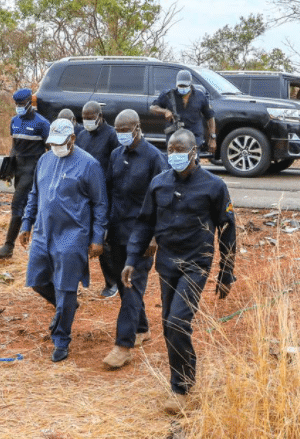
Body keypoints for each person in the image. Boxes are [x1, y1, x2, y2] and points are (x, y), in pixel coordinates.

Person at [122, 129, 236, 414]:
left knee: (177, 322)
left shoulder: (214, 186)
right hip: (167, 264)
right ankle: (183, 376)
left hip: (196, 264)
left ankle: (181, 387)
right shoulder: (159, 183)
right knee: (168, 324)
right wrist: (132, 259)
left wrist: (226, 272)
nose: (174, 155)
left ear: (194, 152)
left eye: (180, 150)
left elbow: (228, 230)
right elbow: (144, 223)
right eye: (170, 150)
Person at [18, 118, 108, 362]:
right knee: (36, 280)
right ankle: (66, 306)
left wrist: (97, 237)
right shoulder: (44, 160)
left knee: (66, 287)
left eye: (60, 142)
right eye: (52, 143)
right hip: (43, 231)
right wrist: (26, 223)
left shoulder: (89, 165)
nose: (56, 147)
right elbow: (35, 194)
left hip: (72, 234)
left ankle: (61, 339)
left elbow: (100, 204)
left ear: (72, 139)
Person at [101, 110, 167, 369]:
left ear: (137, 128)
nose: (121, 135)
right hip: (117, 232)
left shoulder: (154, 158)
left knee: (131, 285)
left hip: (141, 235)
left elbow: (163, 200)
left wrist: (155, 236)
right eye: (118, 130)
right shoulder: (116, 155)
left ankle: (123, 345)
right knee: (123, 282)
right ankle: (141, 328)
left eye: (125, 130)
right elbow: (109, 192)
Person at [0, 88, 50, 259]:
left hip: (33, 170)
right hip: (18, 169)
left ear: (30, 103)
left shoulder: (42, 123)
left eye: (22, 104)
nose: (18, 107)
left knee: (17, 205)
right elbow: (14, 147)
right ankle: (36, 243)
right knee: (29, 207)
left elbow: (51, 149)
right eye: (16, 104)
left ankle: (8, 246)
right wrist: (8, 168)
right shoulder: (14, 121)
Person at [75, 101, 120, 298]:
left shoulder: (112, 136)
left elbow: (117, 163)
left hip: (105, 193)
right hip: (84, 194)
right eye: (84, 118)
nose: (87, 121)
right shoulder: (82, 135)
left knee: (103, 239)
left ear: (100, 117)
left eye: (91, 118)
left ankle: (112, 281)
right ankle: (75, 280)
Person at [150, 70, 217, 154]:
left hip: (194, 138)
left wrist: (212, 138)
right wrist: (165, 111)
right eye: (180, 86)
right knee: (175, 161)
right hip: (175, 139)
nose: (182, 88)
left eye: (185, 86)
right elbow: (153, 108)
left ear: (190, 84)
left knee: (192, 161)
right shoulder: (168, 95)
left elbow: (210, 117)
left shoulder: (200, 96)